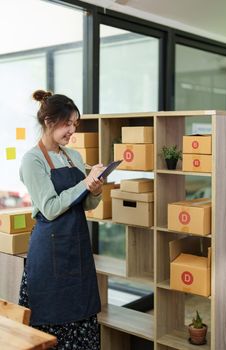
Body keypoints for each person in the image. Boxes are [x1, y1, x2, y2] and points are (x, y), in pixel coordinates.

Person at [18, 89, 104, 350]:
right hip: (49, 252)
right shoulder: (32, 160)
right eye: (68, 123)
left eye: (75, 124)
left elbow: (85, 204)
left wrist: (95, 190)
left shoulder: (74, 156)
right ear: (49, 122)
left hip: (76, 248)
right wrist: (85, 183)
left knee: (83, 319)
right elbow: (51, 208)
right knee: (50, 324)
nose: (72, 131)